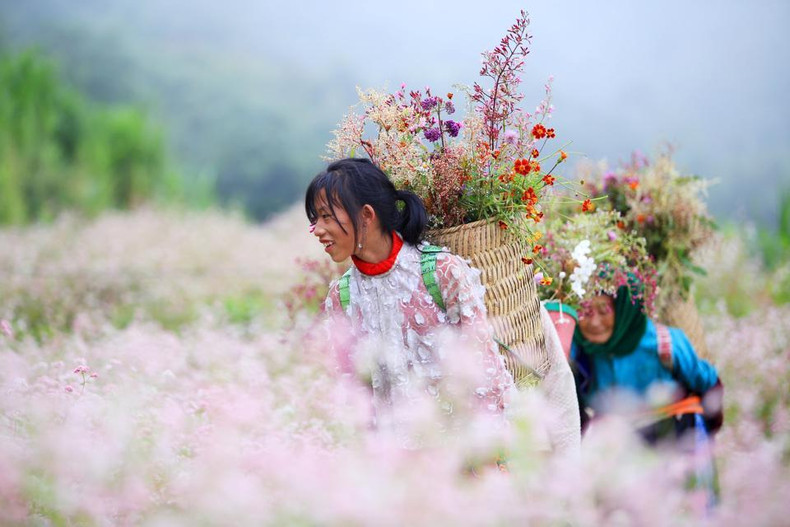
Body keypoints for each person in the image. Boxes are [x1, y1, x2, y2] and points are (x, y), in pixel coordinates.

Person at [305, 158, 580, 453]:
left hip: (465, 458)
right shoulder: (342, 297)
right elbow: (352, 395)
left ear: (366, 215)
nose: (316, 229)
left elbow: (486, 375)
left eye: (326, 217)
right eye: (315, 218)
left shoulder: (442, 272)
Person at [570, 285, 723, 444]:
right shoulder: (577, 351)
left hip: (676, 443)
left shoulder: (665, 343)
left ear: (624, 309)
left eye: (604, 310)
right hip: (620, 453)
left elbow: (707, 384)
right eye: (585, 312)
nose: (594, 322)